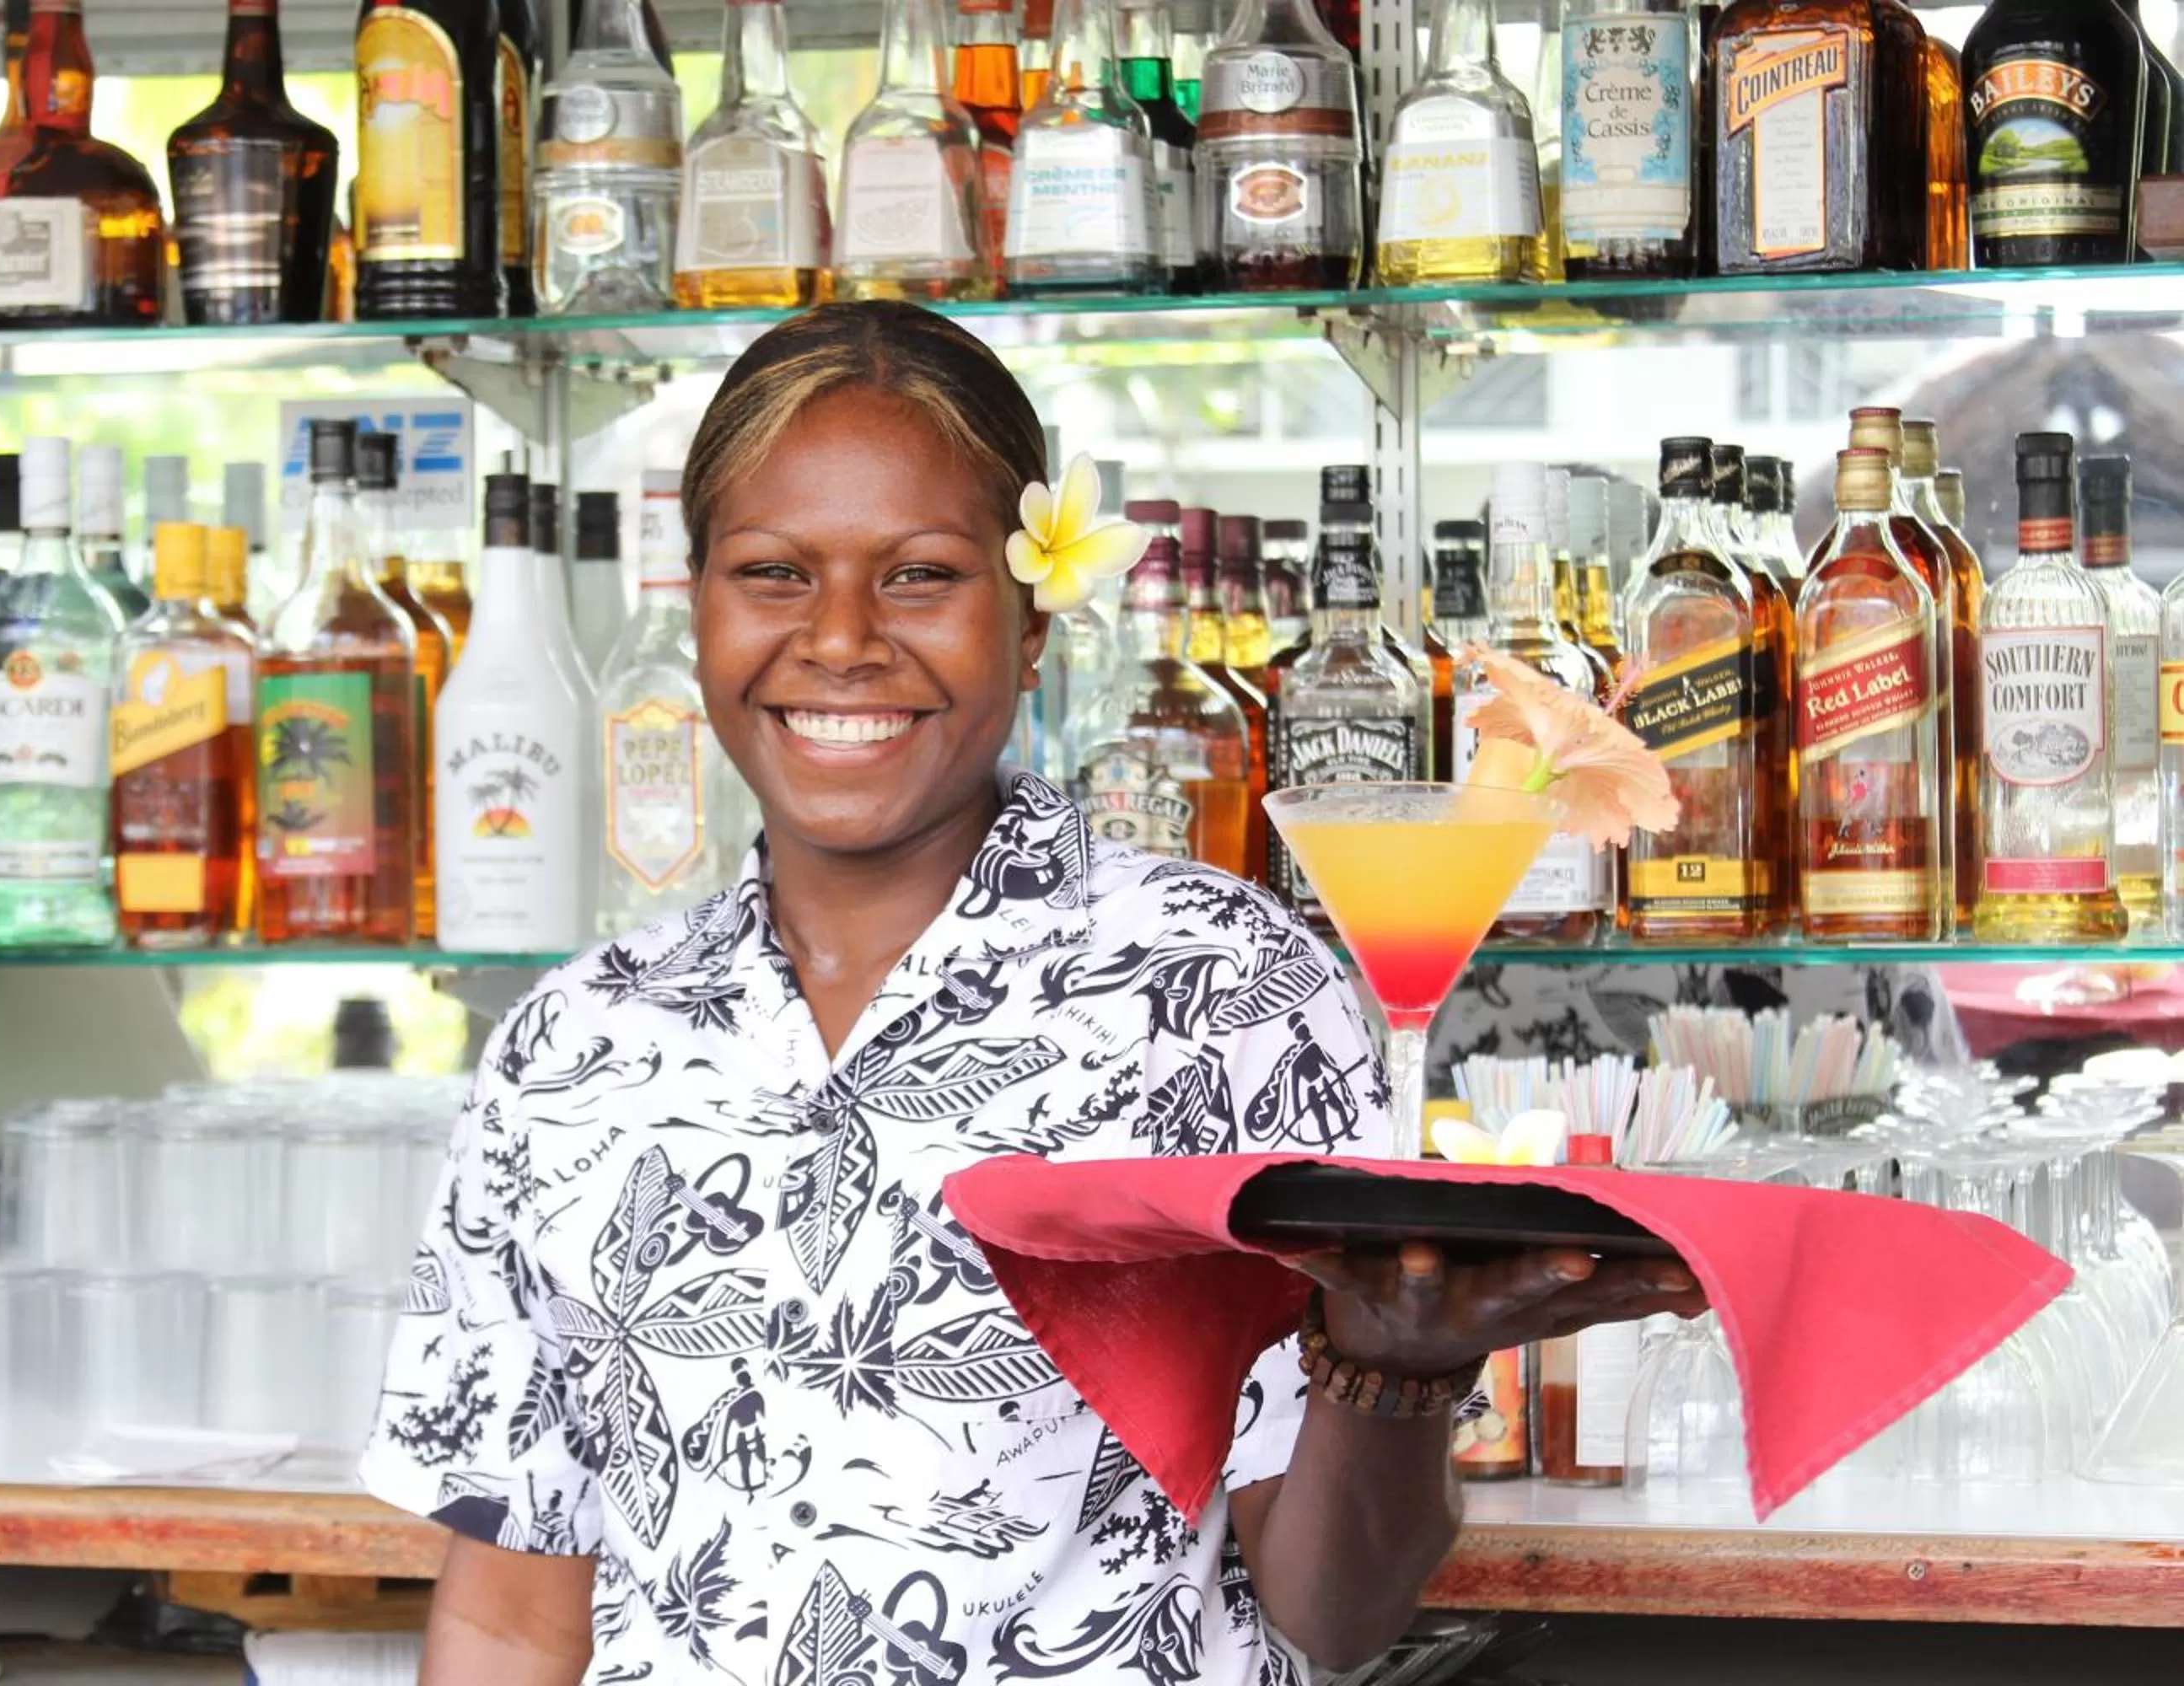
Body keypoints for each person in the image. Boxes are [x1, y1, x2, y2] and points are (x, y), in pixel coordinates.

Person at [361, 301, 1704, 1684]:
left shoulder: (1222, 989)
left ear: (1032, 626)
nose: (839, 640)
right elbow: (511, 1610)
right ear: (695, 605)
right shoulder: (574, 1046)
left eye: (920, 577)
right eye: (772, 574)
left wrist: (1396, 1373)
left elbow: (1329, 1613)